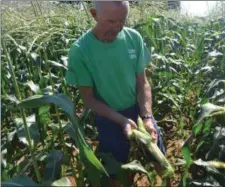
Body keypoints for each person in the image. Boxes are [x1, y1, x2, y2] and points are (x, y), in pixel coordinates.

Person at [65, 1, 167, 186]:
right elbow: (88, 99)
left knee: (161, 161)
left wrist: (146, 116)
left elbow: (142, 83)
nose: (117, 28)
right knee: (117, 172)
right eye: (111, 21)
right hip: (108, 118)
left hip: (137, 111)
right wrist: (121, 120)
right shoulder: (80, 50)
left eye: (122, 21)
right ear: (94, 15)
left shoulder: (133, 38)